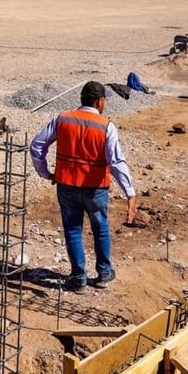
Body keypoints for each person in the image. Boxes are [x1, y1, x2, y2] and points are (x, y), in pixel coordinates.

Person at [30, 81, 137, 292]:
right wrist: (130, 192)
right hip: (95, 189)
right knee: (101, 230)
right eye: (105, 100)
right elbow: (116, 162)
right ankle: (104, 274)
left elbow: (37, 145)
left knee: (73, 231)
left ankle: (78, 279)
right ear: (99, 101)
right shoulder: (106, 126)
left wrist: (46, 172)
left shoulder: (62, 119)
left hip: (66, 186)